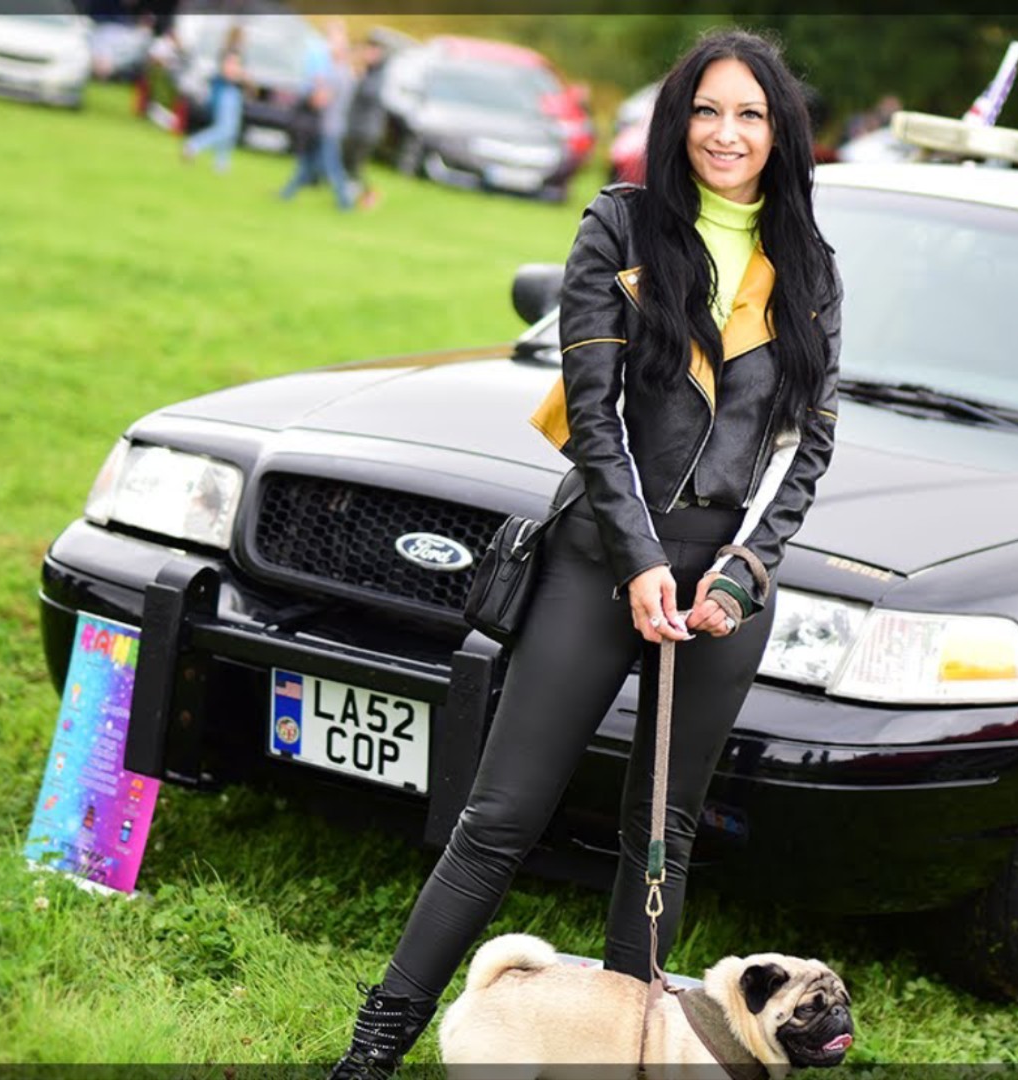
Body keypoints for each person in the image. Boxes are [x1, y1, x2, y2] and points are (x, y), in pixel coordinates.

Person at [328, 27, 842, 1080]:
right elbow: (595, 420)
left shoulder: (810, 265)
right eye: (706, 110)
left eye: (749, 113)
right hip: (597, 554)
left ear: (780, 132)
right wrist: (642, 558)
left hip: (726, 589)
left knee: (662, 836)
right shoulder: (619, 226)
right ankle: (376, 1045)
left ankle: (633, 1057)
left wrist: (742, 575)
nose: (726, 133)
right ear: (676, 121)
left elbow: (811, 445)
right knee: (499, 818)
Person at [279, 22, 355, 212]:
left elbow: (320, 100)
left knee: (331, 167)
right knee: (308, 164)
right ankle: (287, 193)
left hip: (328, 127)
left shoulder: (338, 74)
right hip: (326, 125)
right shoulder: (342, 72)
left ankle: (346, 200)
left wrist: (311, 90)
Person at [180, 26, 244, 173]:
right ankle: (193, 145)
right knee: (224, 128)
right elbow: (228, 73)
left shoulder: (233, 53)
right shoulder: (230, 53)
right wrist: (241, 75)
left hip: (233, 92)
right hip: (226, 92)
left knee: (230, 130)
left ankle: (221, 164)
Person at [342, 35, 390, 210]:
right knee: (349, 165)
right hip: (356, 127)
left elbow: (370, 93)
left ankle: (363, 196)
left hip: (366, 130)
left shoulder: (381, 73)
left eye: (370, 51)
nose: (366, 54)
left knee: (354, 166)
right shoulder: (370, 70)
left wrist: (360, 77)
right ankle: (354, 196)